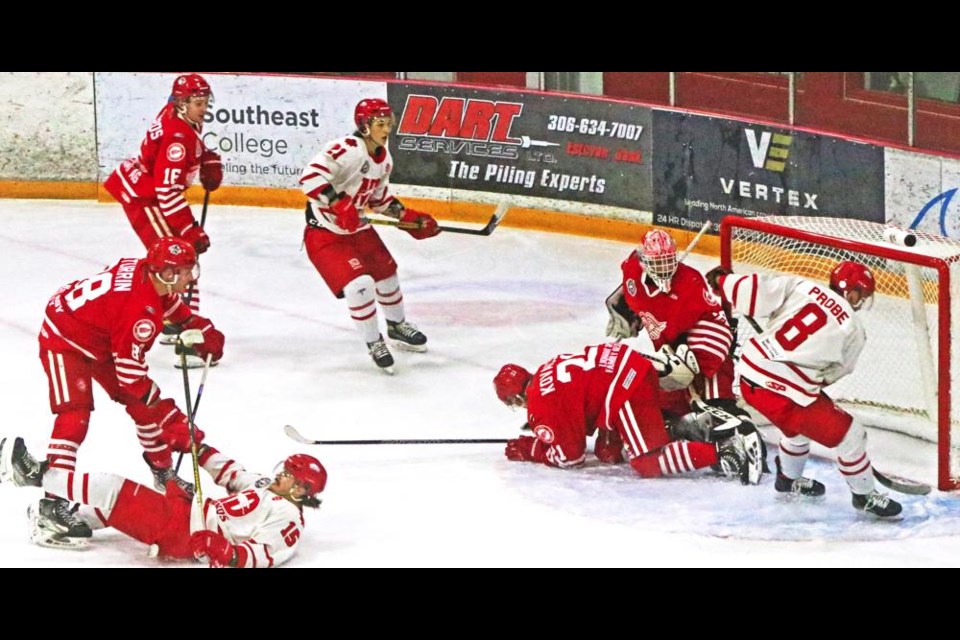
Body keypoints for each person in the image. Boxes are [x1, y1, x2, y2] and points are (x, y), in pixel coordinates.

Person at [34, 236, 225, 542]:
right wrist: (170, 417)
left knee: (143, 408)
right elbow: (132, 378)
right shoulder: (140, 313)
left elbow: (165, 301)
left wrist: (195, 323)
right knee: (75, 415)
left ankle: (163, 473)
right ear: (166, 274)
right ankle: (51, 506)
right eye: (186, 271)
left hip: (100, 337)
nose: (191, 277)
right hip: (64, 338)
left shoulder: (145, 275)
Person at [707, 260, 902, 517]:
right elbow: (835, 373)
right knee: (851, 434)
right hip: (782, 392)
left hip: (749, 375)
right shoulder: (854, 328)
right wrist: (811, 383)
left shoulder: (801, 286)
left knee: (798, 429)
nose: (860, 301)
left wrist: (723, 282)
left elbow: (756, 291)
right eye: (861, 295)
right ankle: (864, 496)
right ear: (851, 293)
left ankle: (788, 480)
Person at [0, 435, 325, 567]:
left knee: (115, 491)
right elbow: (231, 472)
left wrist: (228, 552)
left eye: (289, 474)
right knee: (121, 505)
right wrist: (195, 444)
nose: (280, 473)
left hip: (185, 534)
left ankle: (33, 475)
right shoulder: (269, 487)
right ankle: (64, 522)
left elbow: (268, 554)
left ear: (301, 489)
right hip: (189, 514)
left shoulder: (288, 518)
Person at [299, 98, 441, 374]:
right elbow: (310, 178)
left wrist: (409, 218)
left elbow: (379, 200)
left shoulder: (384, 160)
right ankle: (374, 341)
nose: (386, 129)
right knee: (360, 285)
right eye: (380, 124)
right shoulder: (347, 150)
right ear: (365, 127)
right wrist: (338, 203)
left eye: (389, 123)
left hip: (357, 228)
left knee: (387, 275)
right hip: (325, 232)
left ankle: (397, 326)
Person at [492, 341, 762, 482]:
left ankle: (727, 450)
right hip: (631, 363)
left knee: (646, 462)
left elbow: (570, 457)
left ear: (516, 396)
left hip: (624, 391)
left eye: (513, 402)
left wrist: (534, 450)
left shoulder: (540, 404)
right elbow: (584, 400)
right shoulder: (546, 369)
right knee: (607, 451)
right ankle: (682, 425)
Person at [103, 72, 223, 368]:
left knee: (180, 260)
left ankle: (173, 321)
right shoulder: (177, 135)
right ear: (181, 103)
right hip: (147, 199)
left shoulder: (178, 115)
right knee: (180, 261)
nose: (203, 107)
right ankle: (189, 337)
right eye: (198, 102)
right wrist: (189, 229)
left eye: (206, 101)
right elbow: (166, 189)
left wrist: (205, 157)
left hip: (145, 193)